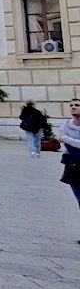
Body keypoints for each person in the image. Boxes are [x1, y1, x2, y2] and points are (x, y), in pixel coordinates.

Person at [59, 98, 80, 243]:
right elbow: (65, 149)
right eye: (71, 105)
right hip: (73, 167)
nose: (73, 108)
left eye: (77, 105)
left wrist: (65, 138)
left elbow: (64, 141)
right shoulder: (65, 125)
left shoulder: (64, 132)